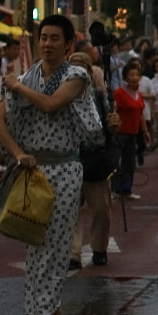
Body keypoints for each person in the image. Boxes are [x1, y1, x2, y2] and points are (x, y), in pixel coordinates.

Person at [0, 16, 102, 315]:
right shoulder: (25, 77)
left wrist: (18, 87)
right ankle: (47, 312)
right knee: (35, 242)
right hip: (32, 171)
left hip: (65, 168)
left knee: (56, 244)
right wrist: (18, 152)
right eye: (44, 38)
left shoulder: (76, 76)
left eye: (55, 38)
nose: (48, 44)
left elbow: (51, 105)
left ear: (68, 45)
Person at [69, 51, 116, 269]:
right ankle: (73, 253)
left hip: (96, 158)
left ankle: (99, 248)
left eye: (81, 67)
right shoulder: (62, 95)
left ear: (89, 71)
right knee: (69, 208)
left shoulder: (99, 97)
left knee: (101, 208)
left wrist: (115, 123)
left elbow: (111, 126)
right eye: (73, 66)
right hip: (70, 158)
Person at [111, 62, 152, 199]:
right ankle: (116, 189)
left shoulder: (138, 94)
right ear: (126, 77)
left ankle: (127, 189)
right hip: (120, 133)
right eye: (131, 75)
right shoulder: (119, 93)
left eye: (137, 75)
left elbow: (141, 113)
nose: (134, 77)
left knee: (130, 162)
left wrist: (145, 131)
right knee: (118, 161)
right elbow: (114, 111)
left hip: (133, 133)